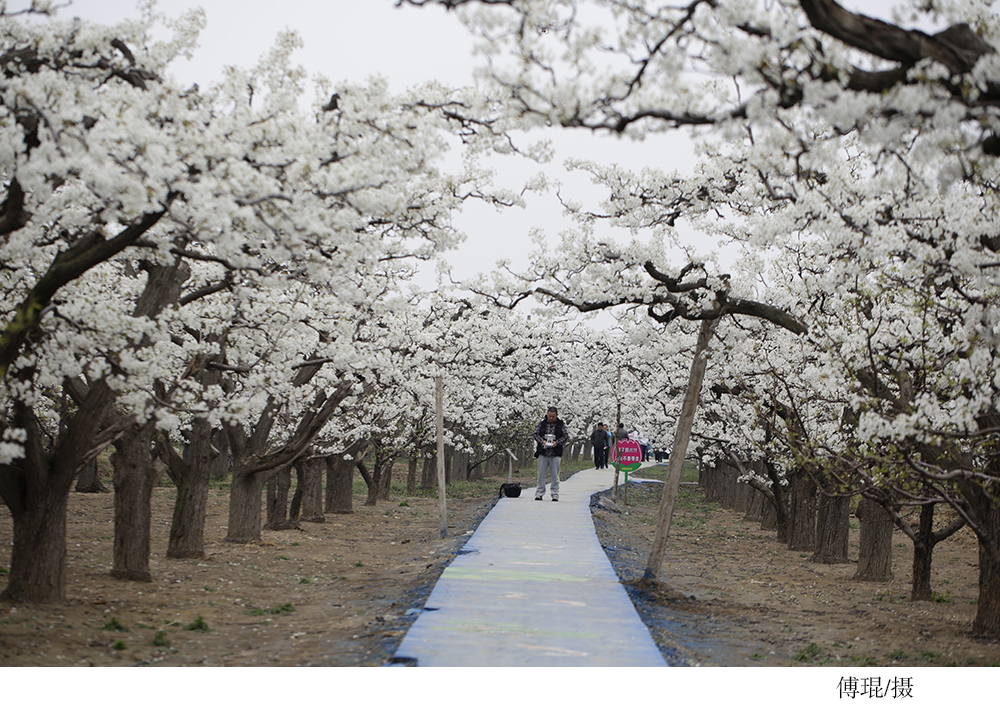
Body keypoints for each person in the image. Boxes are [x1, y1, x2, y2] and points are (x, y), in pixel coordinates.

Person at [533, 406, 569, 501]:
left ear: (557, 415)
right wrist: (543, 442)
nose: (551, 418)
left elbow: (566, 436)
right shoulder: (542, 424)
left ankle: (555, 493)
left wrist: (556, 443)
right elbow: (535, 434)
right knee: (541, 474)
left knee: (555, 475)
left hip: (555, 453)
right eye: (549, 416)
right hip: (543, 453)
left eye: (553, 416)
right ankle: (539, 493)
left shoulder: (561, 425)